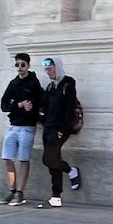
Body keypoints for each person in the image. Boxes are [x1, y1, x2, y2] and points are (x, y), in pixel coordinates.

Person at [0, 53, 43, 205]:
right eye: (17, 65)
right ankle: (12, 190)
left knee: (23, 159)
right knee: (7, 157)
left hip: (28, 127)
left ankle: (20, 193)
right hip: (14, 126)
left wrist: (33, 107)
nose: (20, 68)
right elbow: (3, 105)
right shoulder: (13, 83)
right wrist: (19, 105)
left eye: (23, 64)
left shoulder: (34, 84)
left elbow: (42, 102)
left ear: (28, 65)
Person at [39, 56, 80, 208]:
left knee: (48, 159)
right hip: (48, 128)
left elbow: (69, 109)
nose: (48, 72)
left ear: (57, 66)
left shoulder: (68, 83)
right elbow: (44, 106)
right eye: (46, 70)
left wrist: (63, 130)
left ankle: (71, 170)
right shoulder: (50, 87)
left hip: (60, 130)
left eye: (50, 69)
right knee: (52, 163)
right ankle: (56, 197)